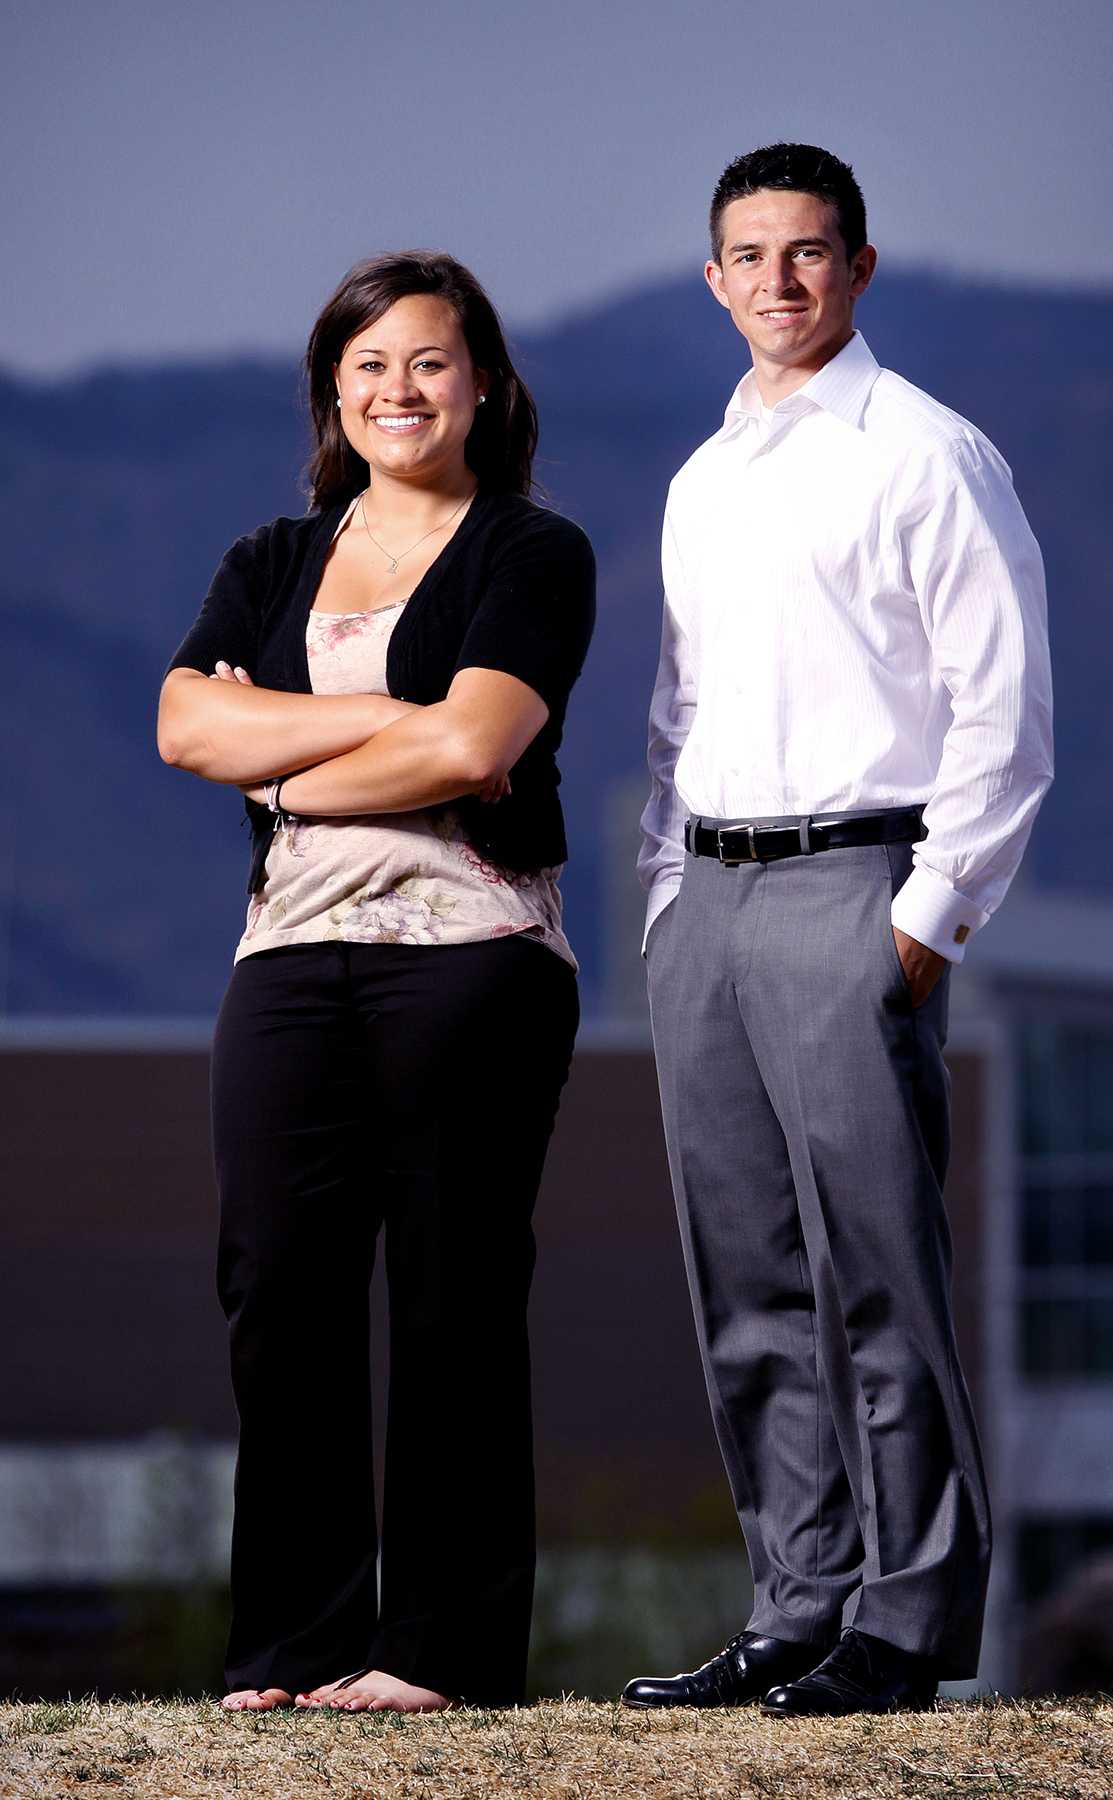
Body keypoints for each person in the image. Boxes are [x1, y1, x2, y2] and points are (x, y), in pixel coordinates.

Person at [628, 144, 1053, 1717]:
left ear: (857, 269)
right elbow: (677, 717)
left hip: (852, 889)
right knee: (740, 1273)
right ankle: (795, 1600)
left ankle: (904, 1617)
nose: (780, 282)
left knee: (875, 1271)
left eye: (810, 253)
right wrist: (669, 894)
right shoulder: (699, 477)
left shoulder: (926, 456)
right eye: (750, 254)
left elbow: (1000, 714)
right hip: (709, 903)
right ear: (713, 277)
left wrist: (922, 927)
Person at [157, 251, 595, 1714]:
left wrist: (284, 753)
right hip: (286, 959)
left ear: (482, 385)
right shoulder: (269, 562)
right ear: (332, 394)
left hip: (471, 958)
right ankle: (294, 1646)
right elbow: (180, 728)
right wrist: (390, 718)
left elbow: (474, 753)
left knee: (451, 1294)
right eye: (368, 366)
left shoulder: (532, 553)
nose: (397, 390)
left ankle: (441, 1655)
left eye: (427, 361)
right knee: (276, 1290)